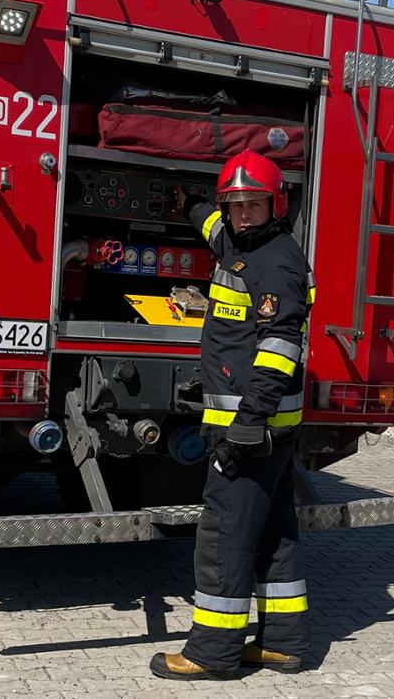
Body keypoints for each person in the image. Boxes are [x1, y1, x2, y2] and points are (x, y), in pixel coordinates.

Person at [151, 150, 314, 680]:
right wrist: (190, 204)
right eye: (235, 205)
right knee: (273, 535)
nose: (242, 214)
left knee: (224, 537)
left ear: (276, 204)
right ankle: (282, 646)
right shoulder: (242, 245)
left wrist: (249, 419)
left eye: (253, 205)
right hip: (268, 429)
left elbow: (280, 347)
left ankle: (212, 653)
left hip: (253, 430)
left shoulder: (277, 262)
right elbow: (218, 229)